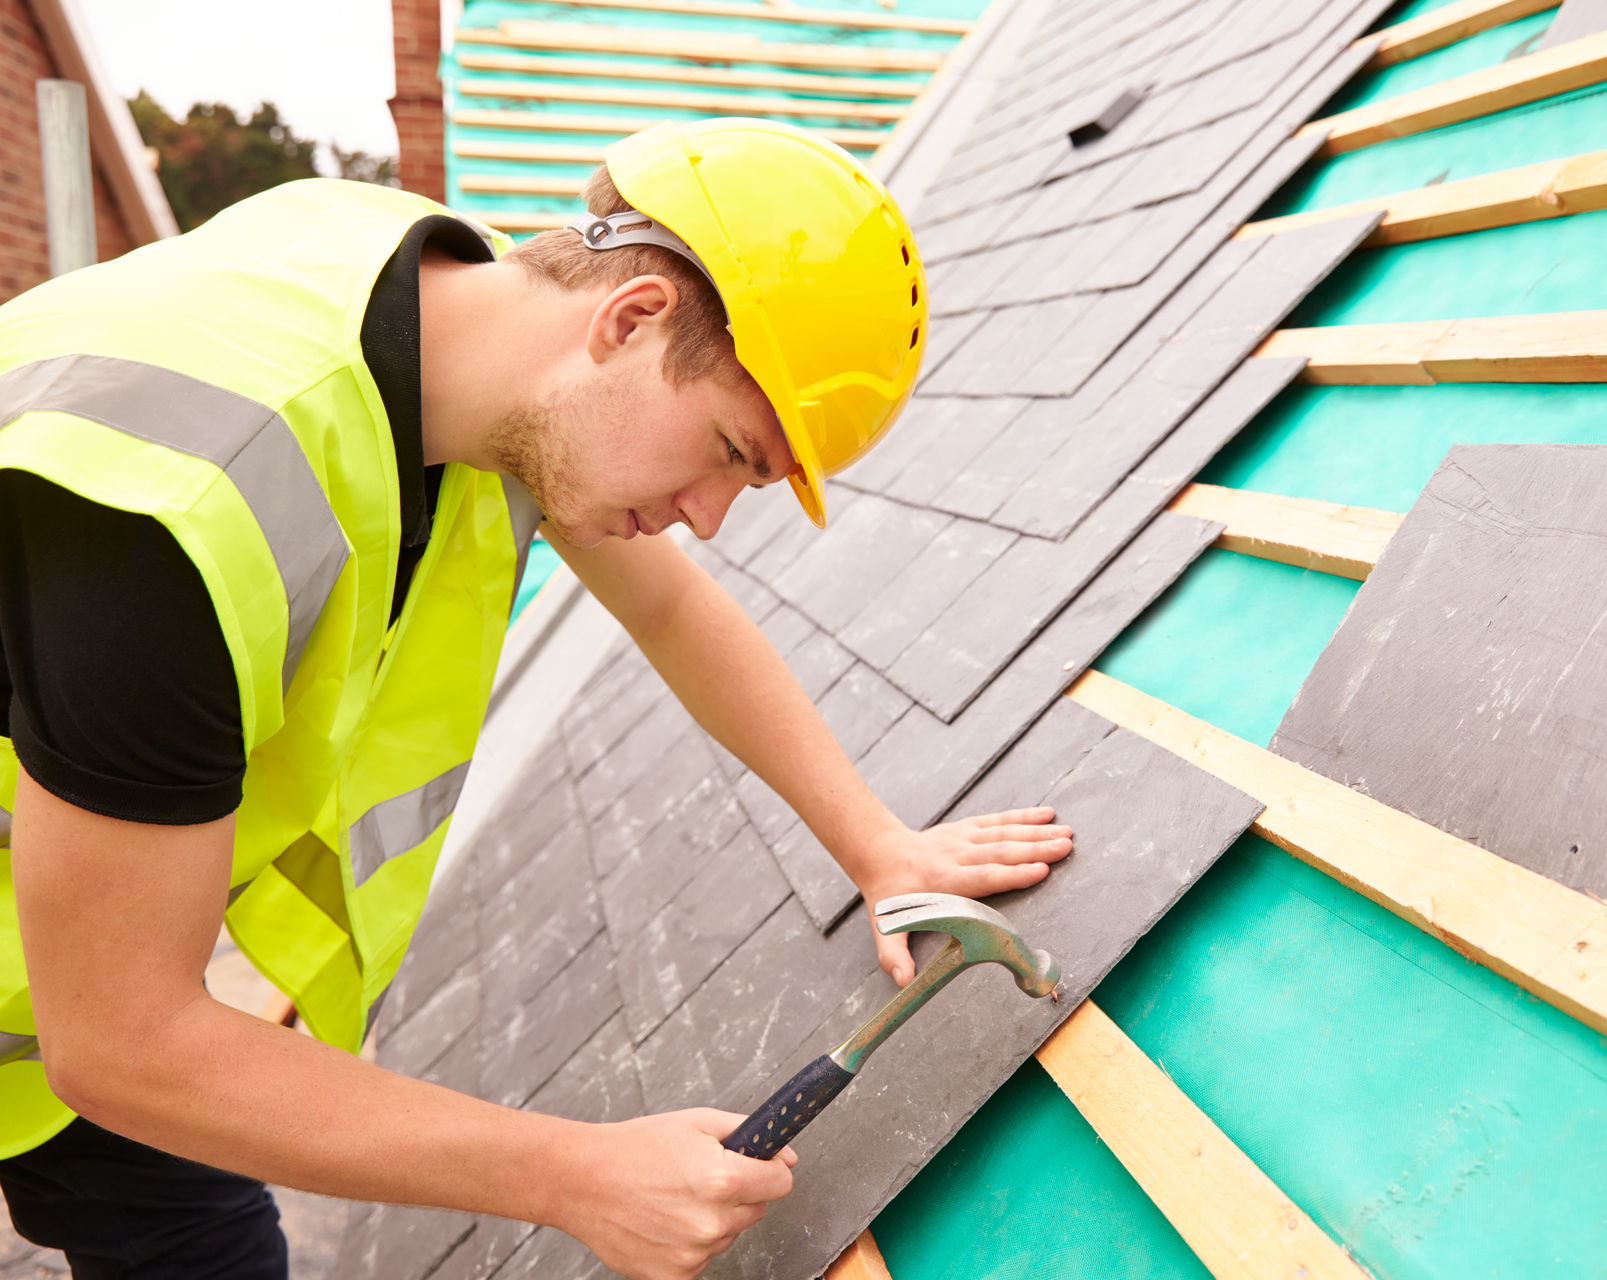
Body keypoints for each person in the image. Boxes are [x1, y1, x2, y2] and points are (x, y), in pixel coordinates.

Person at [0, 119, 1073, 1279]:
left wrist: (879, 846)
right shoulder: (169, 510)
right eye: (726, 450)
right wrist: (574, 1173)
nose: (708, 517)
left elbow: (673, 611)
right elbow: (121, 1039)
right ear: (633, 314)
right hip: (96, 1012)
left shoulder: (465, 323)